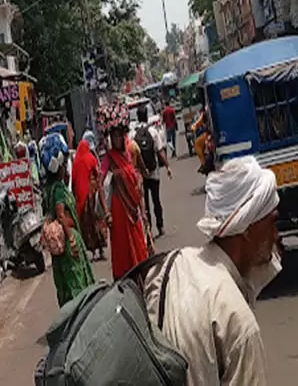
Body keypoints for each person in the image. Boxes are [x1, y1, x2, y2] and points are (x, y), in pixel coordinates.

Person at [143, 156, 280, 386]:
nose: (276, 235)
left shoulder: (172, 264)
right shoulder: (239, 323)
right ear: (246, 228)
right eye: (272, 223)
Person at [40, 132, 95, 307]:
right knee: (77, 283)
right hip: (68, 241)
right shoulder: (57, 190)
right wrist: (71, 238)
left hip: (60, 248)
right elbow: (61, 214)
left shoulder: (49, 188)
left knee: (66, 284)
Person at [97, 100, 149, 280]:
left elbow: (137, 173)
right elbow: (99, 184)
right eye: (114, 136)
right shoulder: (108, 159)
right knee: (122, 248)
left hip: (133, 206)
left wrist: (142, 207)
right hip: (119, 209)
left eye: (120, 135)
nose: (118, 139)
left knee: (139, 245)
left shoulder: (129, 151)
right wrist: (106, 212)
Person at [135, 105, 173, 238]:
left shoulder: (133, 134)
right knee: (156, 200)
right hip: (154, 172)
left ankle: (149, 229)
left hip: (141, 174)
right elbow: (160, 151)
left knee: (144, 203)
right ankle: (160, 226)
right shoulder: (153, 131)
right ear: (146, 116)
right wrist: (168, 166)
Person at [71, 138, 107, 261]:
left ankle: (93, 251)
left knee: (87, 225)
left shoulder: (76, 162)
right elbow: (98, 173)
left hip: (82, 198)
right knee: (97, 221)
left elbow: (74, 182)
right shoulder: (91, 158)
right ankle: (101, 249)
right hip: (93, 194)